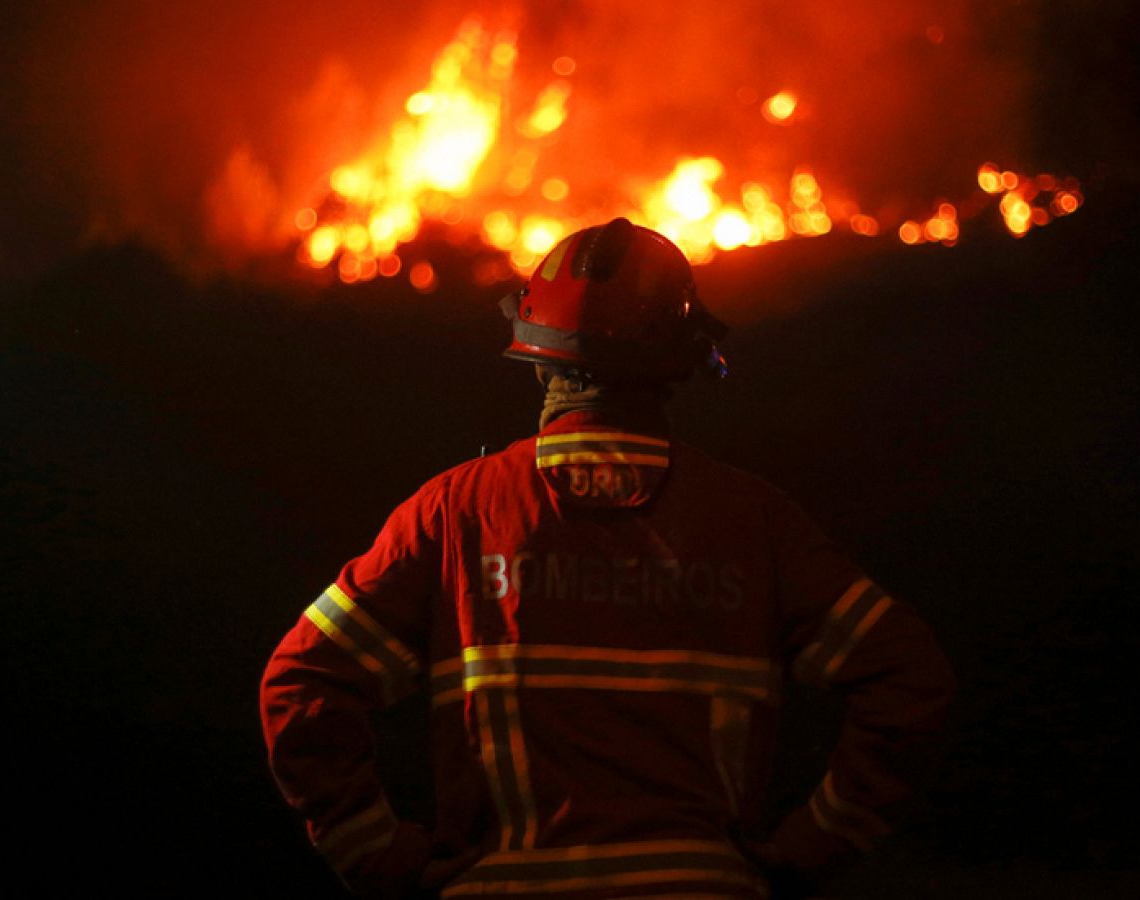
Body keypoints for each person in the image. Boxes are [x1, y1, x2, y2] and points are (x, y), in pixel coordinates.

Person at [261, 218, 955, 898]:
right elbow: (909, 680)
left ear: (537, 357)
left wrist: (381, 859)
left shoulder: (455, 513)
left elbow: (301, 687)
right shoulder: (754, 520)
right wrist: (814, 845)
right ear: (682, 361)